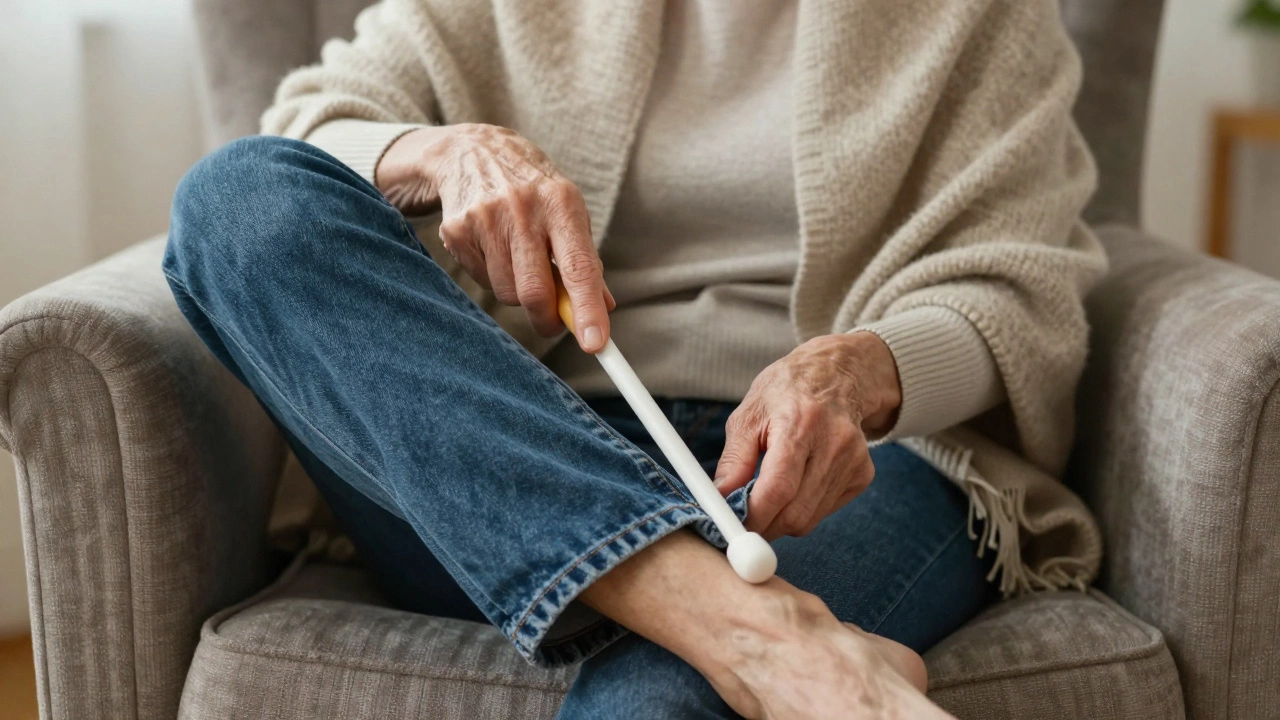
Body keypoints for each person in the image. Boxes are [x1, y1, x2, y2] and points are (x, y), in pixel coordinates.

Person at [162, 0, 1107, 716]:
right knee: (236, 202)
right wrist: (446, 154)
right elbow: (304, 133)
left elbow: (1020, 291)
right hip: (499, 451)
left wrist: (861, 370)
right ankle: (757, 631)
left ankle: (707, 630)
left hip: (821, 469)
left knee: (659, 694)